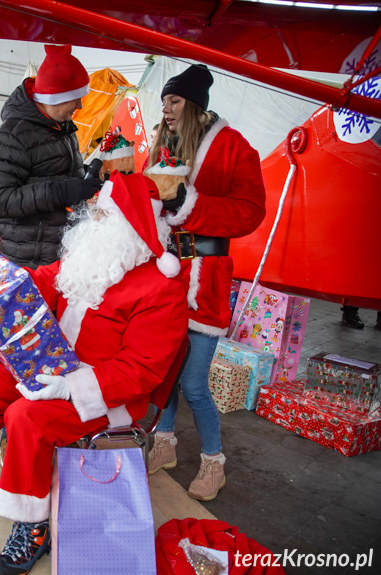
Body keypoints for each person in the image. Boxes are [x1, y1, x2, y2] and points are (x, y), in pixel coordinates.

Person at [0, 172, 188, 575]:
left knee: (26, 417)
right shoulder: (90, 258)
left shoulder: (161, 289)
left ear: (130, 227)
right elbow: (38, 283)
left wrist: (72, 386)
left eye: (101, 215)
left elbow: (142, 371)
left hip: (108, 396)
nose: (90, 221)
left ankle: (33, 523)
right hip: (56, 368)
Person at [146, 64, 266, 502]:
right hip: (164, 276)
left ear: (195, 105)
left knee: (194, 382)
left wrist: (189, 203)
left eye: (174, 101)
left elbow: (251, 211)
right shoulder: (163, 145)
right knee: (164, 370)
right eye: (164, 102)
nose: (167, 109)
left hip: (206, 280)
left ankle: (214, 462)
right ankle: (165, 442)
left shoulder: (234, 147)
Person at [0, 45, 100, 269]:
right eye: (74, 98)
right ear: (53, 96)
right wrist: (62, 191)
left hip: (62, 253)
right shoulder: (11, 137)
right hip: (31, 262)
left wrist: (86, 177)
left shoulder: (61, 128)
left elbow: (52, 171)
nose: (80, 105)